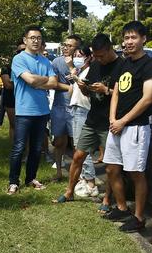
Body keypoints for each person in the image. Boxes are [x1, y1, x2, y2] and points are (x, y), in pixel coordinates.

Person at [103, 20, 152, 232]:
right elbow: (116, 91)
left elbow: (147, 99)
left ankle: (138, 218)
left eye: (133, 37)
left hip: (135, 127)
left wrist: (123, 121)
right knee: (111, 168)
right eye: (126, 37)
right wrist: (112, 119)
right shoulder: (123, 63)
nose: (129, 41)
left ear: (143, 39)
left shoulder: (150, 64)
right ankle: (121, 207)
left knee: (136, 173)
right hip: (116, 126)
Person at [55, 34, 121, 209]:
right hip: (92, 119)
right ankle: (69, 192)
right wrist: (85, 88)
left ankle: (107, 199)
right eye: (96, 56)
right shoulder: (96, 65)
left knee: (110, 165)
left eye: (101, 56)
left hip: (110, 121)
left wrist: (106, 89)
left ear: (110, 48)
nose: (98, 59)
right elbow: (88, 94)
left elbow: (126, 94)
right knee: (78, 155)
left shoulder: (121, 66)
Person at [8, 26, 70, 194]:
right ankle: (13, 181)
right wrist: (42, 80)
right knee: (19, 147)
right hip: (24, 111)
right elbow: (31, 81)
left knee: (36, 148)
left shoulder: (45, 61)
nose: (36, 40)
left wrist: (38, 80)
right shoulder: (18, 59)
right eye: (33, 37)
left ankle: (30, 178)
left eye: (39, 38)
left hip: (42, 111)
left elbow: (53, 83)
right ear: (25, 40)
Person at [50, 35, 81, 180]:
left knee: (77, 143)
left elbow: (83, 82)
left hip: (77, 107)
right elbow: (54, 83)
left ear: (77, 48)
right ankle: (59, 171)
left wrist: (72, 67)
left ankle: (78, 175)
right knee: (59, 141)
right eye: (65, 44)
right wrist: (69, 87)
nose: (66, 48)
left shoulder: (82, 63)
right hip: (59, 106)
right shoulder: (56, 61)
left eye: (70, 46)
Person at [68, 46, 98, 196]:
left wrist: (75, 77)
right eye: (75, 55)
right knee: (77, 146)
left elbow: (88, 92)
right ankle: (85, 179)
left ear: (88, 57)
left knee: (82, 147)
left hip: (83, 109)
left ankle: (91, 182)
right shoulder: (80, 71)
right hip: (76, 108)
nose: (77, 58)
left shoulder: (89, 72)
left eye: (80, 55)